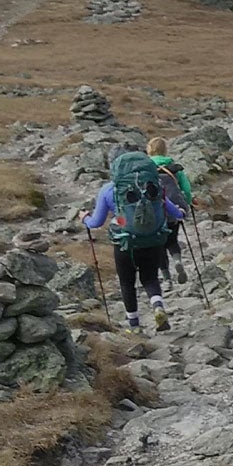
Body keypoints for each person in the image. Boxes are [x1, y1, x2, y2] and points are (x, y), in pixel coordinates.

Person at [81, 150, 186, 332]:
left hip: (125, 242)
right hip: (153, 240)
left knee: (127, 282)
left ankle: (135, 326)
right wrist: (181, 212)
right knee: (150, 277)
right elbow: (172, 210)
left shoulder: (109, 189)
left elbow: (96, 222)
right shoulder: (154, 185)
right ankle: (158, 306)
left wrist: (84, 218)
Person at [146, 136, 193, 284]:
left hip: (155, 211)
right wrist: (189, 202)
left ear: (149, 150)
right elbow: (186, 188)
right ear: (165, 150)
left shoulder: (146, 168)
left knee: (159, 244)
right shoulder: (174, 167)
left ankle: (166, 277)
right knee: (172, 240)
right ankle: (177, 260)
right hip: (174, 208)